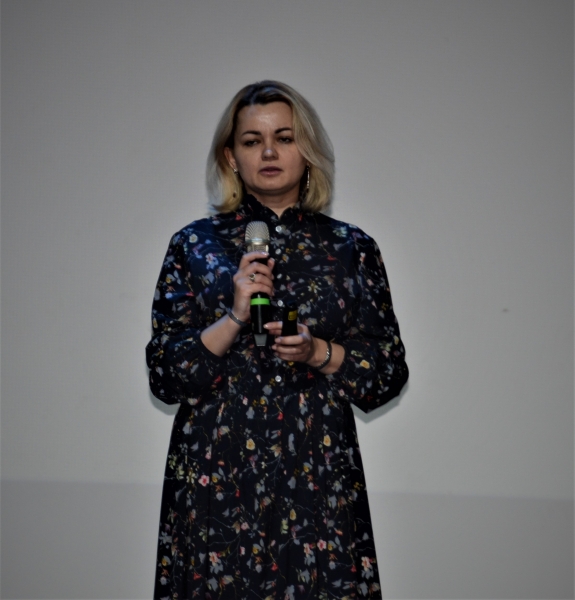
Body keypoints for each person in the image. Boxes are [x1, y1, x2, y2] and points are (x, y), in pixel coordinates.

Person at [146, 80, 408, 600]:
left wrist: (317, 352)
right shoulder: (195, 245)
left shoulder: (351, 248)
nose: (268, 152)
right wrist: (233, 317)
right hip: (217, 481)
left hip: (317, 480)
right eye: (252, 141)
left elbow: (386, 373)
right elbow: (165, 376)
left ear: (306, 150)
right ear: (231, 157)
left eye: (284, 138)